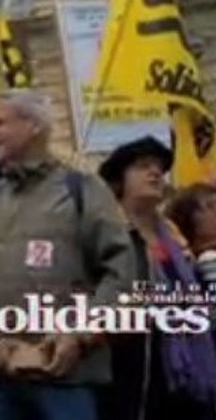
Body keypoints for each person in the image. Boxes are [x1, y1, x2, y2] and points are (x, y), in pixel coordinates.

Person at [0, 90, 134, 420]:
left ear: (33, 126)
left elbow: (122, 274)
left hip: (67, 381)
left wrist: (79, 336)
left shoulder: (83, 191)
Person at [97, 136, 216, 420]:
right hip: (135, 367)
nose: (155, 173)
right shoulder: (107, 235)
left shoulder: (175, 239)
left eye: (159, 168)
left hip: (185, 364)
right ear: (119, 181)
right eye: (142, 166)